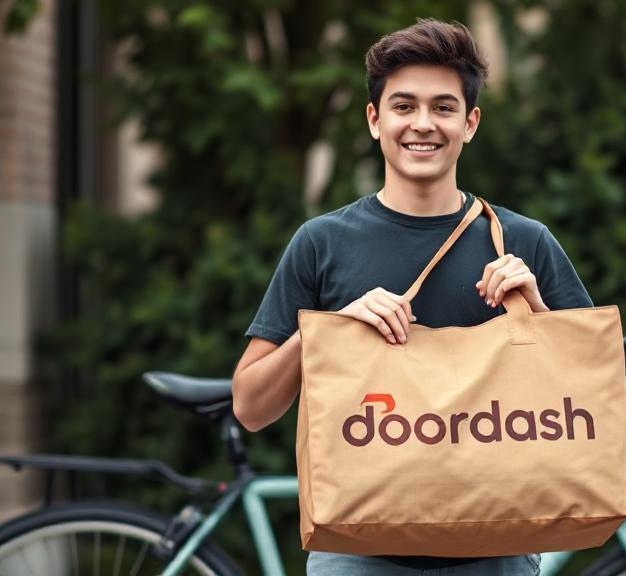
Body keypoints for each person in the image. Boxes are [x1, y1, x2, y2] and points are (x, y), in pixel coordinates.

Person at [232, 18, 592, 576]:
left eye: (443, 108)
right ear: (374, 120)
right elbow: (251, 408)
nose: (422, 124)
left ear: (470, 123)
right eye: (404, 106)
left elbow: (592, 398)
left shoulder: (525, 243)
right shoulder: (322, 243)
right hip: (355, 553)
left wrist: (539, 313)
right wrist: (325, 332)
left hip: (495, 553)